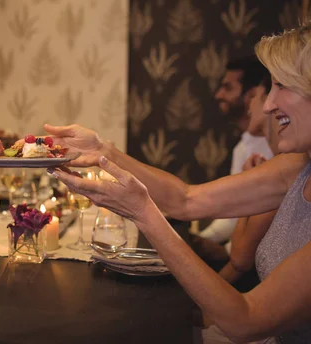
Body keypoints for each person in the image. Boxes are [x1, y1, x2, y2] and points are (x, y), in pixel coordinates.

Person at [45, 25, 311, 342]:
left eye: (282, 86)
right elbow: (185, 200)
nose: (268, 105)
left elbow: (247, 320)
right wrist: (105, 151)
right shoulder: (298, 167)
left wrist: (143, 213)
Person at [199, 57, 273, 244]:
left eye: (228, 88)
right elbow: (235, 214)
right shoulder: (243, 147)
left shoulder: (283, 148)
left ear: (253, 94)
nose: (218, 95)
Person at [218, 78, 279, 289]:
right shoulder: (267, 159)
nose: (250, 105)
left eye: (255, 97)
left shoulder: (283, 170)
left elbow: (239, 258)